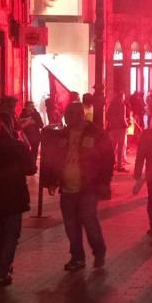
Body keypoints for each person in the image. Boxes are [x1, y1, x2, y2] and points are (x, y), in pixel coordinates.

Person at [42, 101, 114, 270]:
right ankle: (77, 257)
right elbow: (54, 157)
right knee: (71, 225)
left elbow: (107, 159)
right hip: (67, 188)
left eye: (71, 114)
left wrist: (104, 182)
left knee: (89, 221)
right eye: (66, 114)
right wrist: (51, 181)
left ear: (81, 115)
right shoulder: (62, 134)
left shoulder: (97, 134)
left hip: (88, 187)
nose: (67, 118)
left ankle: (99, 251)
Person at [0, 97, 37, 286]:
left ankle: (1, 265)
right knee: (11, 234)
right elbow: (31, 169)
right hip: (14, 193)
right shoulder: (17, 145)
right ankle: (2, 269)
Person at [107, 93, 130, 171]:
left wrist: (112, 122)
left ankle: (110, 164)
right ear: (121, 97)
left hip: (113, 128)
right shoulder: (122, 105)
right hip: (120, 128)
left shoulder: (111, 105)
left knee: (112, 147)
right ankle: (119, 166)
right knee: (120, 148)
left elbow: (107, 116)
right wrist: (127, 124)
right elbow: (122, 118)